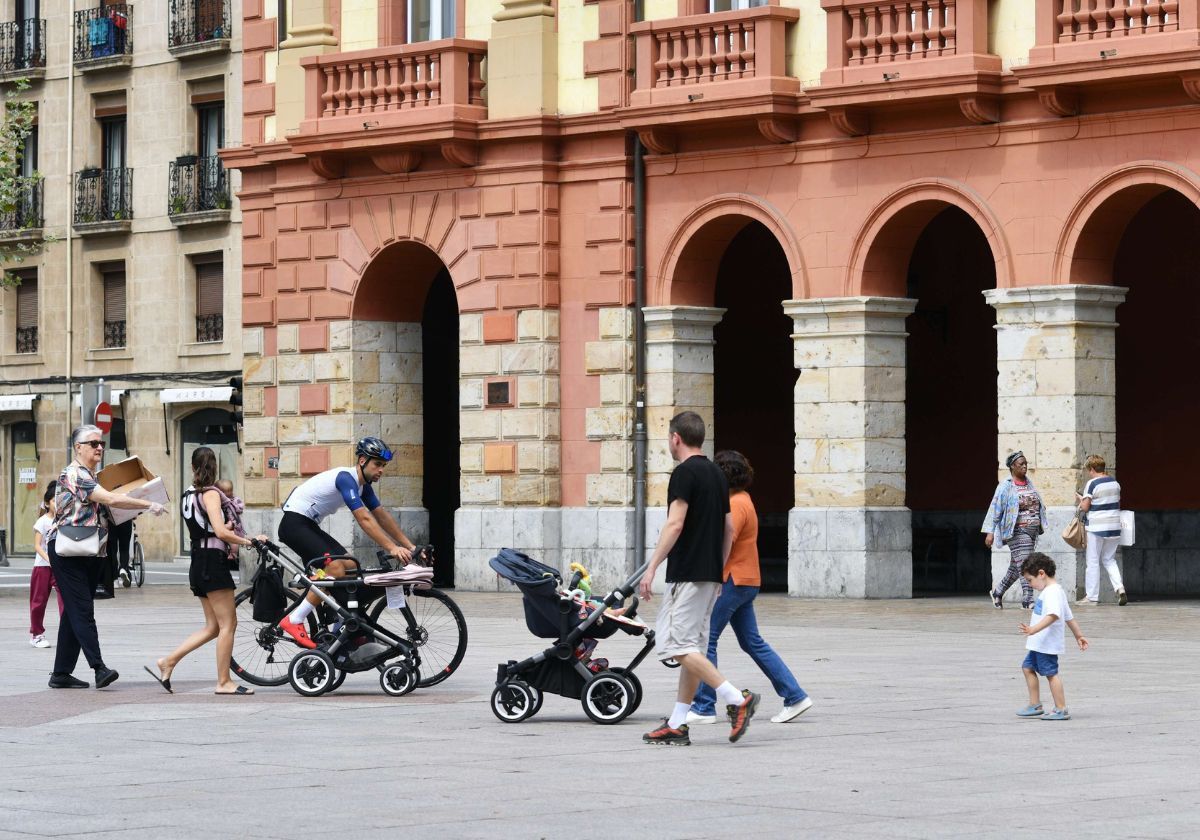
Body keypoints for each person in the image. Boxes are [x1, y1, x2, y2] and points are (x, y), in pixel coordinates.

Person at [638, 412, 760, 746]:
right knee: (691, 648)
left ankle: (736, 698)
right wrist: (720, 572)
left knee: (675, 646)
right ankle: (677, 723)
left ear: (675, 438)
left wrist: (651, 568)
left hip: (687, 574)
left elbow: (674, 524)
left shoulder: (684, 473)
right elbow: (728, 529)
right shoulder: (716, 476)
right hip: (710, 577)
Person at [687, 451, 811, 726]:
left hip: (732, 580)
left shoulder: (735, 504)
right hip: (745, 580)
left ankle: (704, 706)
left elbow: (727, 538)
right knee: (752, 642)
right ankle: (795, 696)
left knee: (705, 639)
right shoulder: (743, 499)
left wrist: (715, 576)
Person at [47, 425, 166, 689]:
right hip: (67, 551)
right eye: (93, 443)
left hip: (88, 550)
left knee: (74, 612)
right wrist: (148, 503)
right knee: (83, 610)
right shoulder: (75, 474)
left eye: (101, 443)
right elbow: (109, 498)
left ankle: (60, 673)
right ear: (78, 448)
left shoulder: (93, 475)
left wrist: (132, 509)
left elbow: (107, 508)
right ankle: (99, 668)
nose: (99, 447)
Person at [145, 448, 267, 696]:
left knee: (213, 626)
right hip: (212, 560)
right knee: (228, 624)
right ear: (214, 469)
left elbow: (206, 526)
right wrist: (251, 541)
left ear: (192, 467)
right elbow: (220, 532)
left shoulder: (187, 495)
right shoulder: (211, 494)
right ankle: (224, 682)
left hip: (198, 560)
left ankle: (168, 661)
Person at [275, 436, 416, 648]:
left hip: (308, 525)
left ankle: (341, 628)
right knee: (336, 568)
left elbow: (381, 516)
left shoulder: (363, 486)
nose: (381, 470)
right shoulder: (345, 478)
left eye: (383, 465)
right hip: (294, 524)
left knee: (350, 566)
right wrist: (392, 548)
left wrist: (410, 546)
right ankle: (294, 619)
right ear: (362, 461)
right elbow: (364, 518)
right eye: (377, 464)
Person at [1016, 553, 1089, 721]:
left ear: (1041, 574)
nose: (1030, 584)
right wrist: (1079, 635)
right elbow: (1068, 617)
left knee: (1051, 674)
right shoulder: (1053, 591)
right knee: (1027, 668)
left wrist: (1034, 629)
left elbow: (1055, 615)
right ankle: (1035, 704)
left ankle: (1061, 708)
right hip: (1039, 644)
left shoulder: (1052, 592)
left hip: (1046, 644)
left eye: (1030, 580)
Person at [982, 451, 1047, 609]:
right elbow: (995, 508)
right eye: (1021, 464)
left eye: (1026, 464)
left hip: (1032, 531)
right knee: (1027, 564)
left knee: (1016, 567)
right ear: (1012, 467)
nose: (1025, 466)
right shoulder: (1006, 486)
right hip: (1017, 531)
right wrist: (990, 532)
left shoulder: (1029, 483)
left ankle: (998, 592)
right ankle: (1028, 600)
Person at [1076, 454, 1126, 607]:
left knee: (1092, 561)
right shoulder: (1115, 483)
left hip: (1097, 527)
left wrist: (1080, 499)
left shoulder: (1092, 484)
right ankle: (1120, 587)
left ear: (1092, 469)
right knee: (1109, 559)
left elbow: (1085, 507)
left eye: (1088, 470)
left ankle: (1092, 597)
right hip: (1114, 526)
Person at [30, 482, 64, 649]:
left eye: (59, 500)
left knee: (65, 600)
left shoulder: (63, 521)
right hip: (42, 567)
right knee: (38, 601)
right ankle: (36, 635)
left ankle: (67, 634)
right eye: (53, 501)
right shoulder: (42, 521)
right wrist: (49, 560)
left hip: (60, 568)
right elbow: (37, 546)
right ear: (46, 503)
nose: (57, 504)